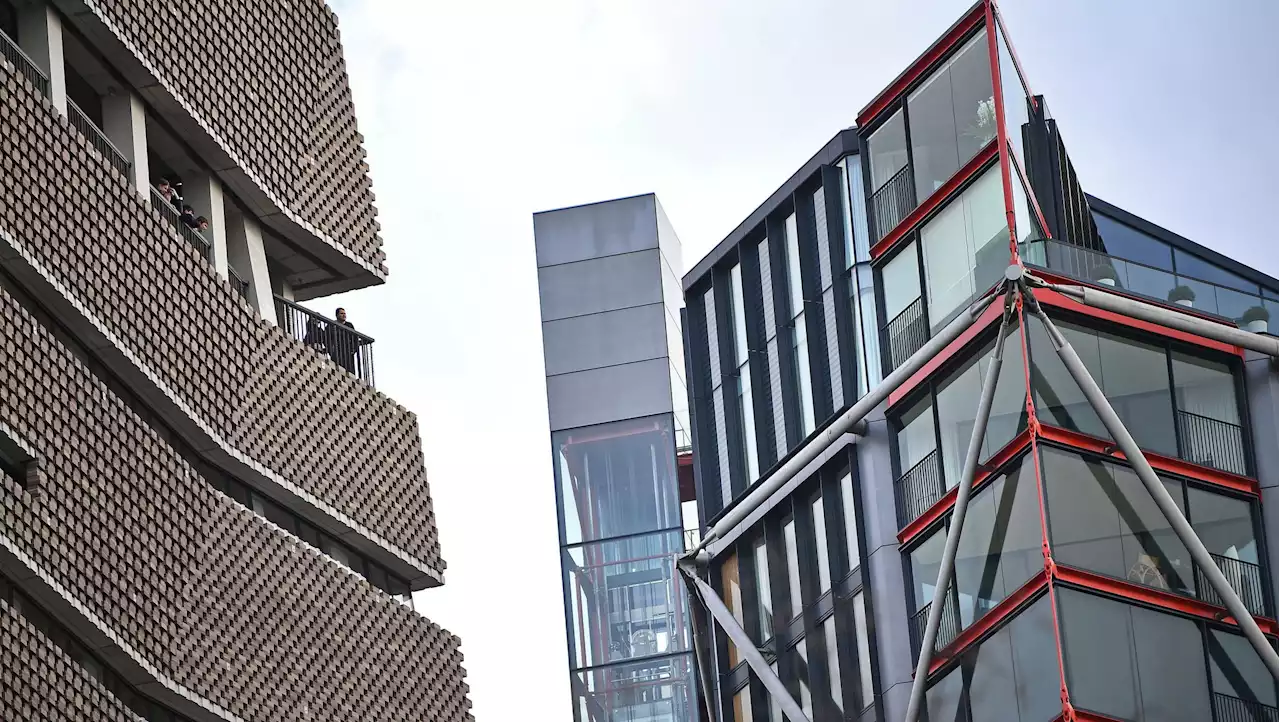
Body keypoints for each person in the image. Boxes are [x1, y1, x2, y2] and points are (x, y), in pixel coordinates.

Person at [327, 307, 370, 375]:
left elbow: (355, 338)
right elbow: (327, 339)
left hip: (348, 352)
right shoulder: (331, 325)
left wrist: (354, 350)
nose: (344, 315)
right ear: (337, 315)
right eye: (341, 313)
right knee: (337, 371)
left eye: (344, 313)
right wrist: (330, 351)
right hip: (337, 351)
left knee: (349, 372)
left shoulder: (349, 325)